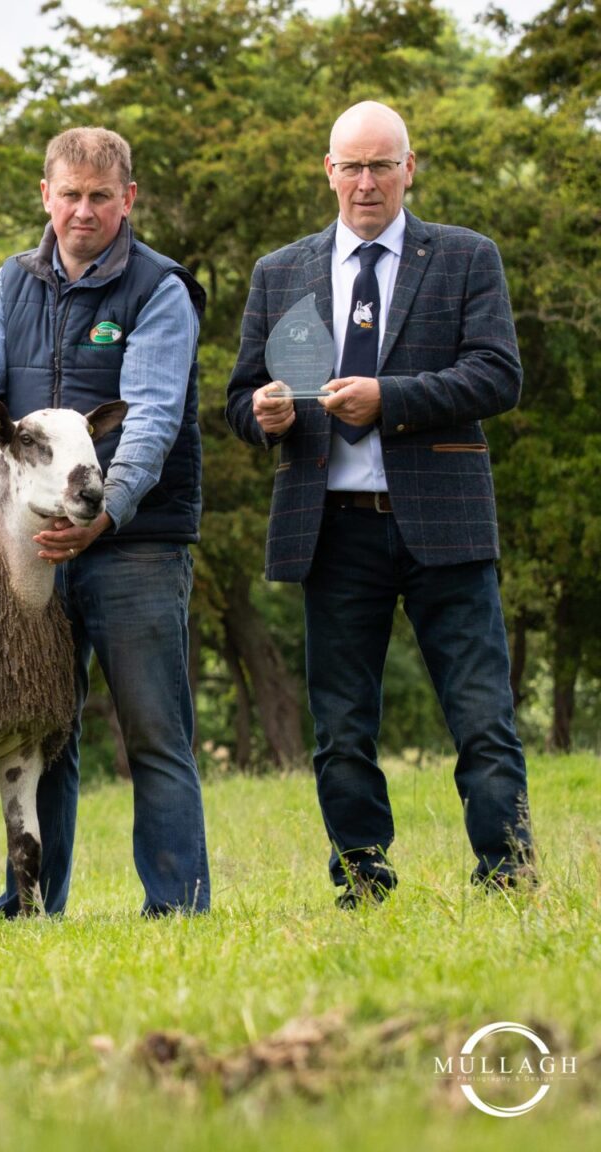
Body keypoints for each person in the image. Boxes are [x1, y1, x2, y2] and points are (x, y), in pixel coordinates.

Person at [226, 101, 531, 905]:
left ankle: (508, 874)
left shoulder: (466, 257)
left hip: (446, 524)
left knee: (482, 717)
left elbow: (498, 375)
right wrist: (264, 414)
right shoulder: (279, 271)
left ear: (409, 167)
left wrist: (388, 398)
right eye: (351, 166)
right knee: (343, 728)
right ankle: (362, 878)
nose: (366, 182)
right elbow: (236, 399)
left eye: (381, 165)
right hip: (331, 529)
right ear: (328, 171)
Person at [0, 126, 211, 917]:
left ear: (128, 199)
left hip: (137, 544)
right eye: (70, 195)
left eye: (100, 196)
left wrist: (108, 512)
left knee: (154, 731)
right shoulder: (10, 284)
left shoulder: (161, 289)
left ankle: (177, 908)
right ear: (46, 196)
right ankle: (30, 905)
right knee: (38, 732)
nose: (83, 211)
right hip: (30, 550)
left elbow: (153, 416)